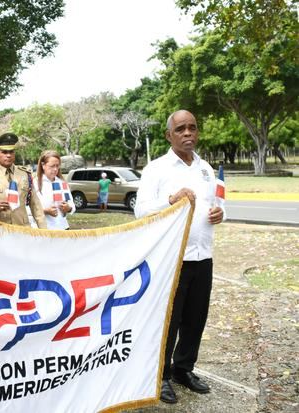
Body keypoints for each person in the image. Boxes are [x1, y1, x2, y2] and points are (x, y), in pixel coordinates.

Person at [134, 110, 225, 405]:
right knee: (168, 321)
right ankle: (160, 377)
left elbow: (217, 203)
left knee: (195, 318)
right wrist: (170, 200)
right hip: (171, 259)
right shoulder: (156, 169)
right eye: (181, 129)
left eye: (193, 128)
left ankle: (184, 368)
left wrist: (220, 213)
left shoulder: (206, 169)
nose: (188, 133)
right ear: (168, 135)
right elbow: (140, 211)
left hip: (203, 255)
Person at [0, 133, 46, 228]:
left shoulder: (25, 174)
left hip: (22, 229)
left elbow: (36, 205)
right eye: (4, 152)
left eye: (11, 152)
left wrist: (44, 230)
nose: (9, 155)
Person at [34, 150, 75, 230]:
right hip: (44, 229)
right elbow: (27, 209)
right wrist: (45, 211)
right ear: (43, 165)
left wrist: (68, 208)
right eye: (52, 166)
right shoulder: (34, 183)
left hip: (62, 228)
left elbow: (71, 205)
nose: (55, 169)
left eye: (57, 165)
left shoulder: (62, 183)